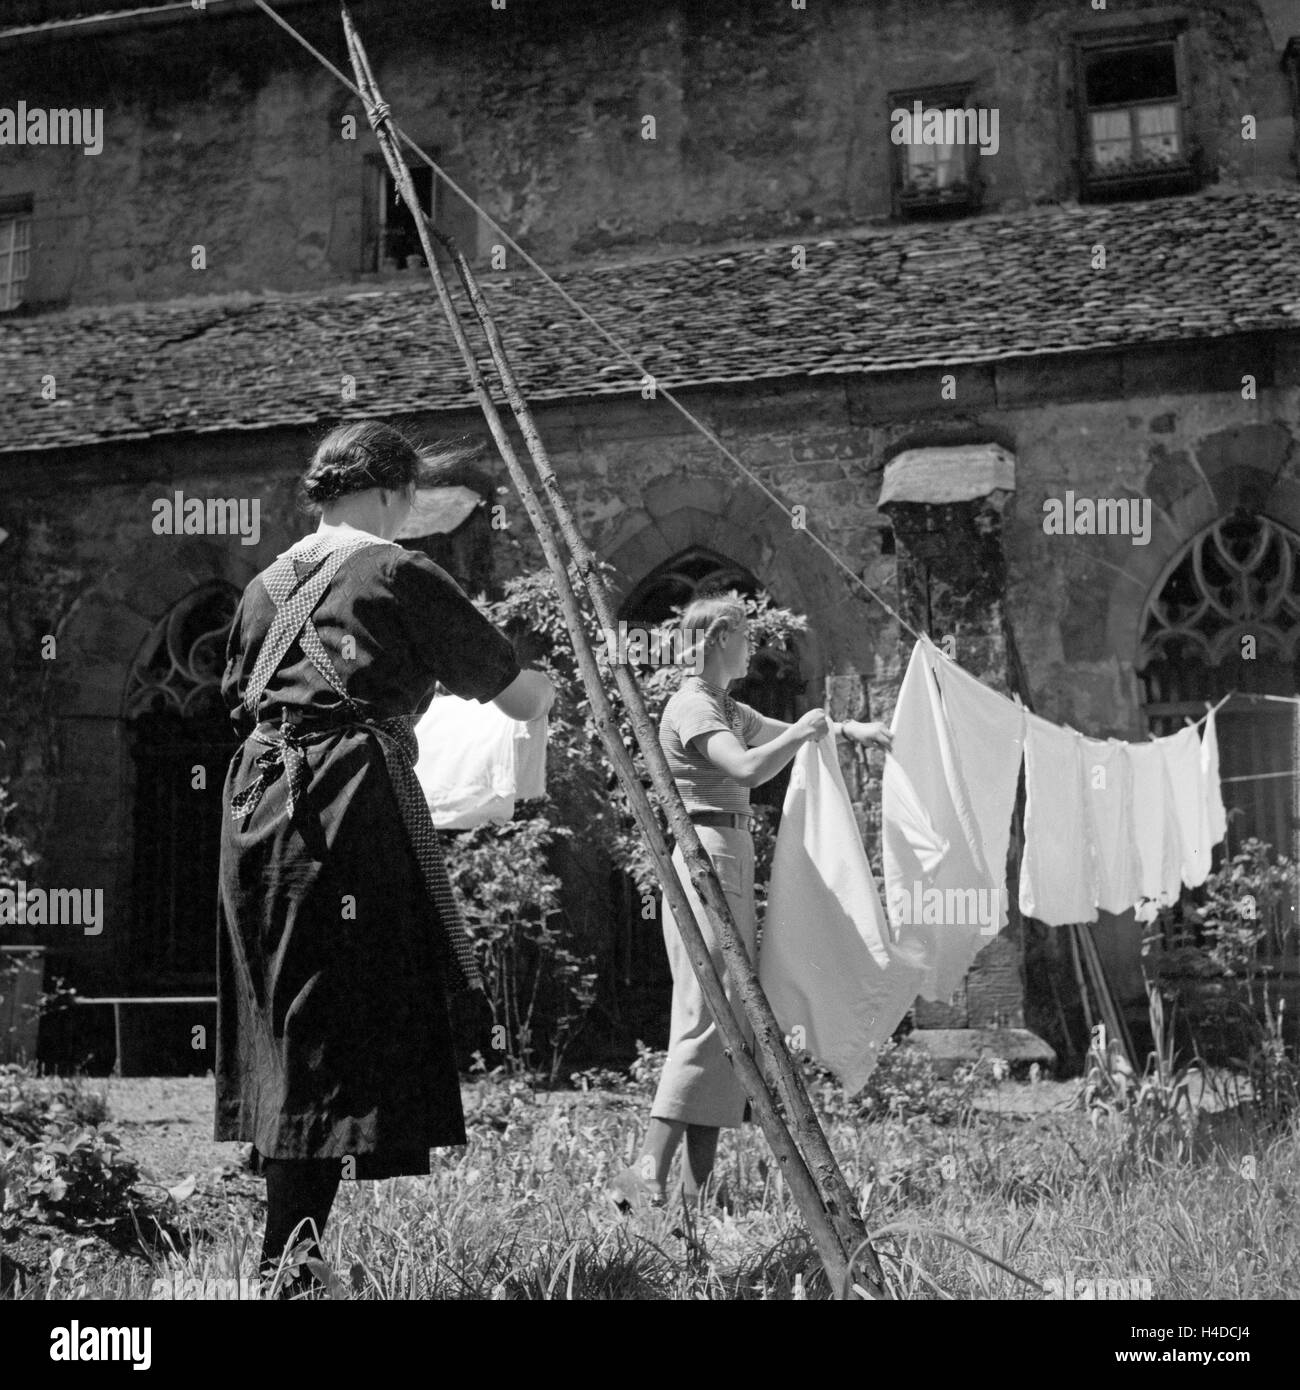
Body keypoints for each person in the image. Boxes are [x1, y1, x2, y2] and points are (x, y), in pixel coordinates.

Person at [215, 421, 553, 1294]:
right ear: (394, 493)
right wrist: (551, 692)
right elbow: (510, 688)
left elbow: (237, 697)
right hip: (340, 812)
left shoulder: (262, 586)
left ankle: (289, 1254)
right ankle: (284, 1266)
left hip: (256, 812)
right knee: (334, 1022)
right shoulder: (395, 569)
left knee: (296, 1019)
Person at [614, 594, 892, 1210]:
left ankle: (694, 1197)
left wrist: (847, 730)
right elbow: (743, 767)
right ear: (717, 637)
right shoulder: (692, 706)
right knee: (706, 1012)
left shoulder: (725, 706)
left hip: (730, 854)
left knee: (731, 1019)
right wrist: (801, 730)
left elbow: (782, 735)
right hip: (706, 855)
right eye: (743, 637)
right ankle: (643, 1170)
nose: (752, 648)